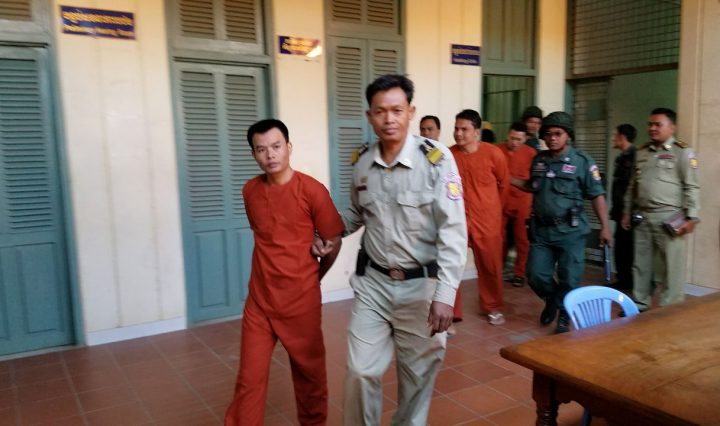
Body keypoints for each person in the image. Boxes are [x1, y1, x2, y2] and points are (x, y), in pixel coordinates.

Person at [331, 74, 467, 425]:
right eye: (380, 111)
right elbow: (357, 213)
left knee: (418, 377)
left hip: (421, 287)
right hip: (373, 284)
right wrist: (327, 233)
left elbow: (453, 231)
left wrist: (446, 294)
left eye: (396, 110)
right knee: (360, 371)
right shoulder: (362, 162)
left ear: (411, 112)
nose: (389, 119)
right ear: (369, 116)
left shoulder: (436, 160)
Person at [225, 119, 345, 426]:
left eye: (276, 146)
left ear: (289, 147)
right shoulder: (250, 191)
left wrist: (314, 277)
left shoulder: (312, 191)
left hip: (300, 302)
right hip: (260, 302)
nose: (270, 155)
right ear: (253, 154)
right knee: (249, 380)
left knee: (309, 378)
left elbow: (333, 241)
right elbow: (264, 236)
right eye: (261, 149)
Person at [512, 111, 611, 333]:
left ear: (568, 135)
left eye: (558, 134)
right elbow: (531, 186)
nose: (552, 138)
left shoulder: (582, 162)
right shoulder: (539, 160)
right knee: (535, 274)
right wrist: (507, 179)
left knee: (569, 277)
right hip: (542, 231)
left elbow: (597, 195)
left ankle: (565, 313)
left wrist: (605, 227)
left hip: (570, 232)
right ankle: (552, 299)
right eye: (548, 134)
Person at [621, 108, 700, 311]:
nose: (652, 128)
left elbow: (692, 186)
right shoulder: (642, 152)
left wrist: (692, 217)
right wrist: (626, 212)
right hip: (642, 216)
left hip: (670, 217)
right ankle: (640, 304)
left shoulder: (682, 152)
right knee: (641, 264)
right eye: (650, 124)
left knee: (672, 266)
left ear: (672, 127)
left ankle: (670, 309)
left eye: (658, 124)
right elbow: (632, 186)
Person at [451, 109, 509, 326]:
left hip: (487, 222)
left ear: (476, 132)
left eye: (464, 129)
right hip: (457, 221)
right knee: (451, 265)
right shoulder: (448, 155)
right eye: (456, 128)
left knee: (490, 267)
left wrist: (493, 212)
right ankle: (452, 311)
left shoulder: (494, 154)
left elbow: (504, 185)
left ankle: (492, 307)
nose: (458, 133)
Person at [497, 122, 537, 287]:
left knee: (522, 240)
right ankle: (497, 270)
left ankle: (519, 273)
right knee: (499, 238)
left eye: (519, 139)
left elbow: (534, 181)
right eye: (512, 138)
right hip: (501, 201)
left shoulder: (531, 154)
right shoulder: (497, 150)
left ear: (525, 138)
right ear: (508, 135)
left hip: (523, 202)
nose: (514, 142)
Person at [609, 124, 637, 291]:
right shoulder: (621, 158)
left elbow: (631, 187)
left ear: (622, 137)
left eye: (615, 135)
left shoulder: (635, 156)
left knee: (628, 248)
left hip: (629, 212)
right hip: (620, 210)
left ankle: (630, 281)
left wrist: (628, 211)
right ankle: (623, 280)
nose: (613, 138)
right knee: (621, 247)